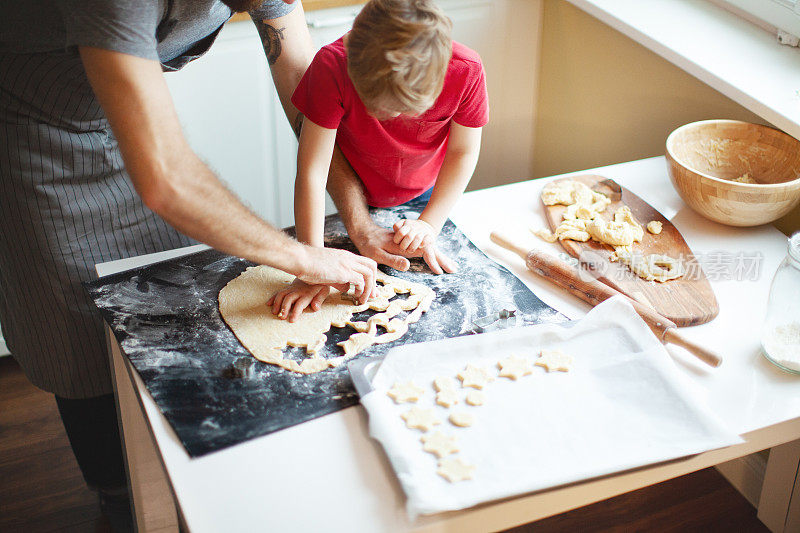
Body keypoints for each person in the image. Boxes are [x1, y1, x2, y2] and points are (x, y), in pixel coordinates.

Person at [0, 0, 377, 529]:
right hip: (32, 125)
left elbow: (305, 92)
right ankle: (116, 495)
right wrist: (300, 254)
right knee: (76, 322)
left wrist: (357, 218)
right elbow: (166, 179)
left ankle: (178, 477)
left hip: (122, 109)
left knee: (165, 305)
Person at [268, 0, 488, 322]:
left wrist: (428, 223)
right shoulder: (331, 67)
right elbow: (313, 173)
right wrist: (311, 264)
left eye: (405, 111)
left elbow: (462, 152)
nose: (393, 119)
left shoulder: (466, 70)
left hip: (425, 193)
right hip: (355, 190)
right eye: (380, 109)